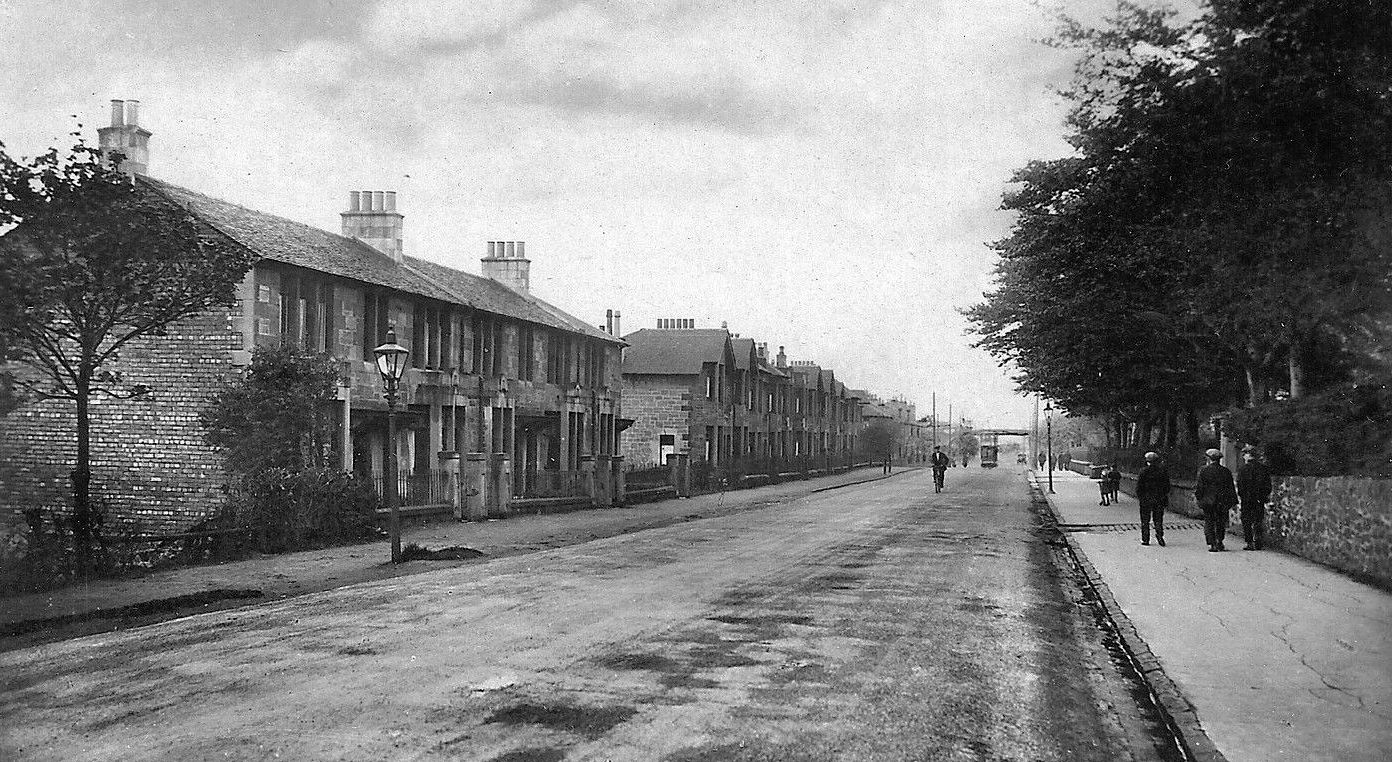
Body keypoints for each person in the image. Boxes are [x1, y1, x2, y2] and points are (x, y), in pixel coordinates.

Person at [1195, 448, 1238, 552]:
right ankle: (1219, 541)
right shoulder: (1225, 471)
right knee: (1220, 522)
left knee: (1209, 522)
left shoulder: (1204, 471)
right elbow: (1230, 487)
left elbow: (1200, 487)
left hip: (1208, 501)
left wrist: (1199, 498)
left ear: (1209, 459)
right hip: (1222, 501)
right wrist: (1233, 501)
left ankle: (1212, 543)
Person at [1236, 446, 1273, 550]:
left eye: (1244, 454)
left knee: (1246, 520)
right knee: (1258, 519)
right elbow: (1268, 485)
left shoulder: (1243, 469)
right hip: (1259, 498)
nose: (1243, 456)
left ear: (1248, 455)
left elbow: (1240, 485)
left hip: (1247, 498)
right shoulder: (1263, 468)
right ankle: (1258, 541)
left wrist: (1242, 495)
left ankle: (1249, 542)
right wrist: (1263, 495)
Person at [1134, 452, 1169, 546]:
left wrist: (1141, 497)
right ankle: (1159, 536)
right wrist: (1163, 495)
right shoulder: (1162, 471)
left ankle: (1145, 539)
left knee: (1145, 520)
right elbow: (1167, 486)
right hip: (1159, 499)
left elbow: (1139, 487)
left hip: (1146, 499)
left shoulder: (1143, 471)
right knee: (1158, 519)